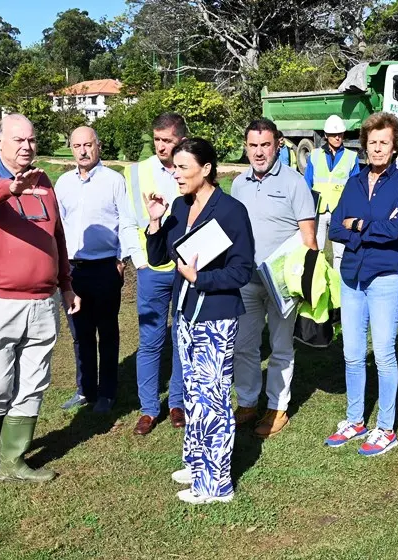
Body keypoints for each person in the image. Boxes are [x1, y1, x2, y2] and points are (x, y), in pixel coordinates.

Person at [0, 114, 80, 483]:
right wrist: (11, 189)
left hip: (43, 302)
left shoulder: (44, 181)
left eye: (31, 140)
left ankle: (14, 459)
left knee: (34, 381)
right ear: (0, 142)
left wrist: (65, 284)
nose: (27, 147)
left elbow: (55, 236)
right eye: (18, 140)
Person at [143, 138, 255, 504]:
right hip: (186, 314)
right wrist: (156, 222)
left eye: (183, 168)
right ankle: (196, 463)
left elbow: (242, 270)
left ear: (206, 169)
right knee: (193, 396)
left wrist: (202, 279)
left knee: (214, 400)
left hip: (217, 315)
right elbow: (162, 257)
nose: (175, 174)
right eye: (174, 167)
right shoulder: (179, 204)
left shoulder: (231, 211)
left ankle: (216, 484)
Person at [324, 112, 398, 457]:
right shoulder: (354, 181)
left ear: (394, 148)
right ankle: (355, 419)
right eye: (372, 142)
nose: (377, 149)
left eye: (384, 143)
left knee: (384, 353)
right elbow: (334, 229)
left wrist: (357, 224)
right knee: (351, 353)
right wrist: (367, 225)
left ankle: (386, 427)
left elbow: (395, 231)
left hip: (386, 276)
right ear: (365, 146)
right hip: (352, 276)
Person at [231, 119, 318, 438]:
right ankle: (248, 402)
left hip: (282, 284)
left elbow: (309, 238)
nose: (258, 152)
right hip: (247, 281)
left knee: (280, 347)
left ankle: (277, 408)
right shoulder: (239, 183)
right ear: (246, 147)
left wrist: (306, 284)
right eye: (253, 146)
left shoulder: (294, 182)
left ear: (277, 145)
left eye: (265, 145)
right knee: (244, 345)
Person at [55, 126, 143, 413]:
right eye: (77, 145)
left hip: (105, 268)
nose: (83, 151)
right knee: (80, 334)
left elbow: (126, 220)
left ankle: (107, 393)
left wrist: (121, 260)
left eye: (88, 145)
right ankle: (85, 390)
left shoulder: (114, 181)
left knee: (106, 332)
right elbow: (59, 227)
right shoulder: (64, 183)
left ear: (99, 146)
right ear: (71, 148)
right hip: (73, 271)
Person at [123, 113, 187, 435]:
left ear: (181, 141)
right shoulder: (135, 173)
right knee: (151, 340)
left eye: (168, 141)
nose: (161, 146)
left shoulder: (190, 169)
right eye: (157, 140)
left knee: (180, 337)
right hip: (151, 271)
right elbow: (126, 220)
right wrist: (140, 261)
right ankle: (149, 408)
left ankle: (177, 402)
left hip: (185, 270)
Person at [305, 115, 361, 271]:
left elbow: (355, 187)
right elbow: (307, 183)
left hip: (340, 212)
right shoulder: (314, 155)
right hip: (319, 211)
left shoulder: (352, 157)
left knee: (340, 253)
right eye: (333, 134)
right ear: (326, 135)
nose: (337, 137)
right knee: (316, 249)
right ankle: (318, 284)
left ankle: (338, 286)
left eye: (340, 134)